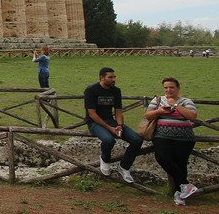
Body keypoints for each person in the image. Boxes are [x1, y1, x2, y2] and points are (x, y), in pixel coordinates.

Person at [144, 77, 200, 205]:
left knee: (180, 164)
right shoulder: (158, 100)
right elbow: (148, 115)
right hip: (162, 136)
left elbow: (192, 116)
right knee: (162, 158)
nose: (168, 90)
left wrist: (175, 104)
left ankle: (179, 195)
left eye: (171, 87)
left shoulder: (186, 101)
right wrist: (159, 111)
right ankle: (186, 185)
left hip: (184, 138)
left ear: (178, 88)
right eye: (166, 87)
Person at [84, 67, 142, 183]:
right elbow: (92, 114)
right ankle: (105, 159)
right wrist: (109, 128)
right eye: (110, 77)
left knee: (137, 140)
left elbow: (118, 111)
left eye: (114, 77)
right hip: (94, 122)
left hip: (111, 121)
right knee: (109, 140)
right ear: (102, 77)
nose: (113, 79)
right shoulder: (91, 90)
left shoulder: (116, 91)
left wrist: (120, 125)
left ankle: (124, 166)